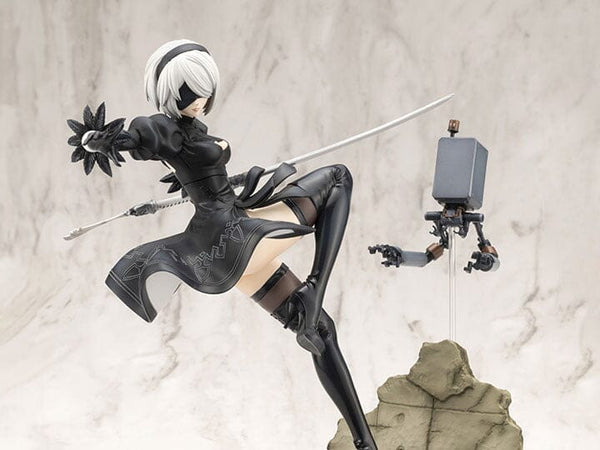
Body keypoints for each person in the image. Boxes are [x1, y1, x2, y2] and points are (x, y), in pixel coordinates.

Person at [67, 39, 377, 450]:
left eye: (205, 90)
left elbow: (196, 166)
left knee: (319, 330)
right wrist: (100, 140)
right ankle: (316, 287)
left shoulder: (189, 130)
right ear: (171, 93)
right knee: (337, 178)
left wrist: (229, 177)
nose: (202, 99)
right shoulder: (164, 128)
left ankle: (365, 444)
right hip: (233, 235)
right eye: (191, 92)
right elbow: (138, 139)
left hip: (236, 254)